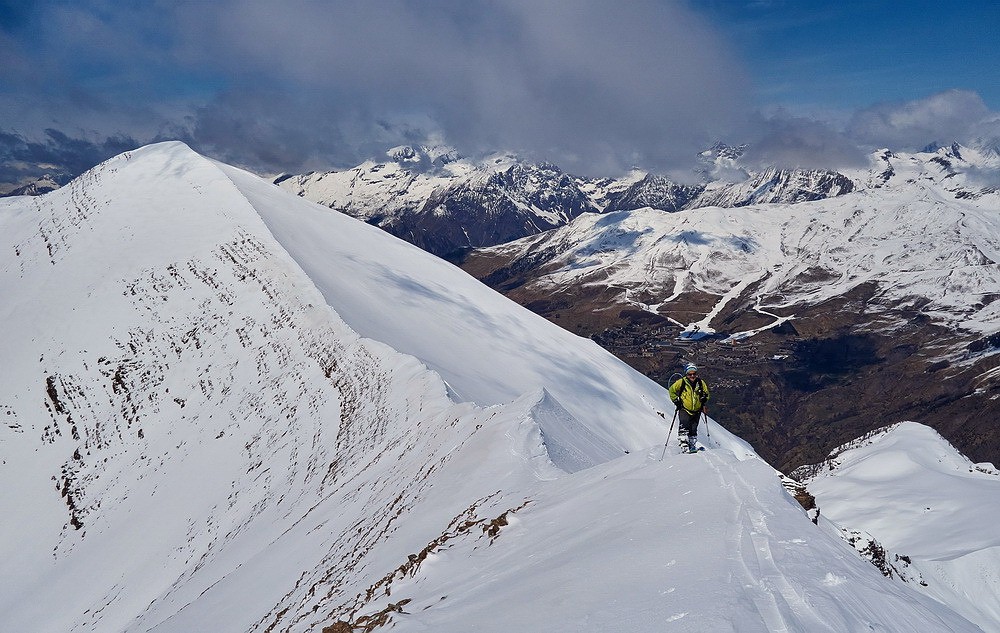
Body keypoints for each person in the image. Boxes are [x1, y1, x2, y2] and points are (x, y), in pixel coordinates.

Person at [668, 363, 710, 453]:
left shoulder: (701, 383)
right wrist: (676, 401)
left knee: (693, 429)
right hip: (684, 408)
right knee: (684, 426)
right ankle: (684, 446)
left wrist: (704, 398)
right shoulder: (682, 382)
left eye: (694, 374)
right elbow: (672, 390)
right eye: (690, 374)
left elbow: (706, 393)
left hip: (697, 410)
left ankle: (692, 445)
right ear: (686, 374)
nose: (692, 376)